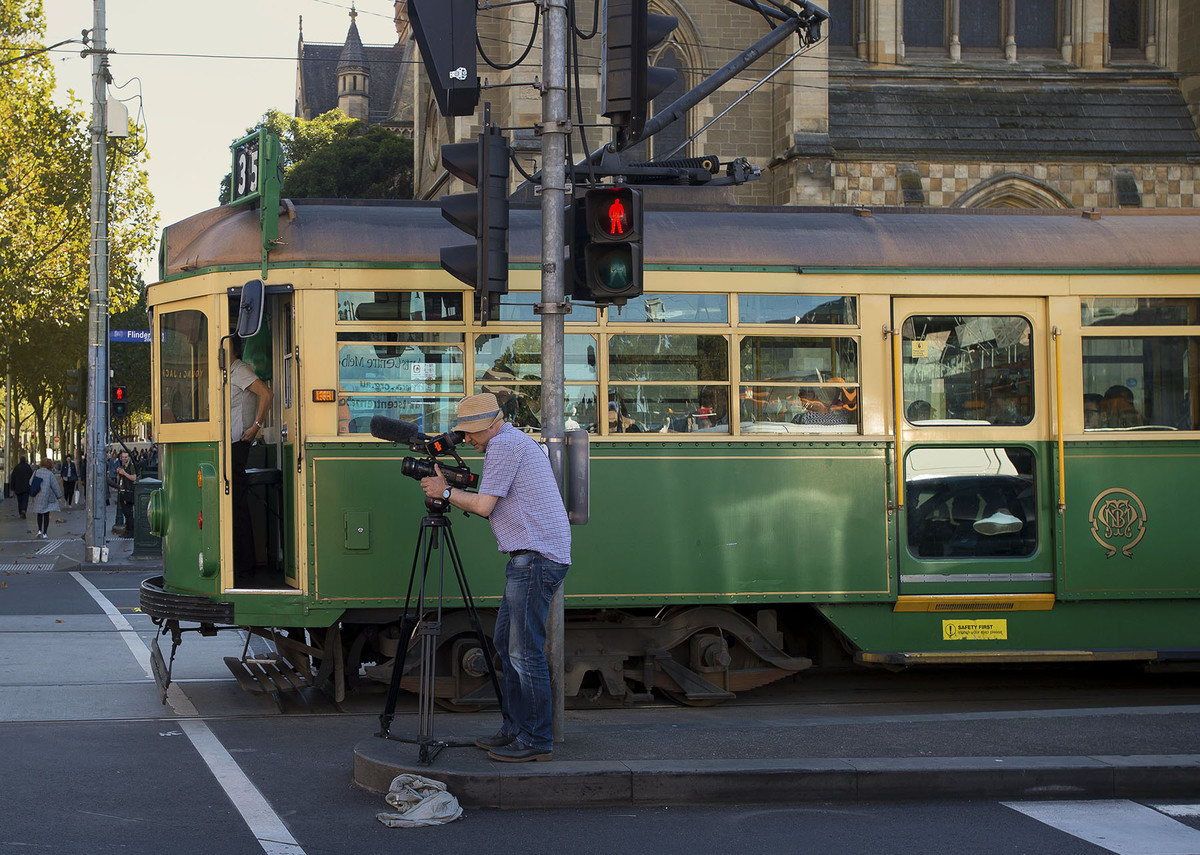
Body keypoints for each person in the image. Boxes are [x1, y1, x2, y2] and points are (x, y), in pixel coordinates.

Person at [420, 393, 571, 763]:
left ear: (490, 425)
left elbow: (485, 506)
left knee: (523, 652)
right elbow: (494, 504)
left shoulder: (504, 445)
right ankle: (515, 729)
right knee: (507, 645)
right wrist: (452, 488)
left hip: (535, 558)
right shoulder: (513, 442)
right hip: (533, 557)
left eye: (470, 433)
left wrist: (445, 491)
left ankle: (536, 739)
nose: (467, 439)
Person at [230, 336, 273, 580]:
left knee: (237, 505)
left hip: (239, 445)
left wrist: (256, 426)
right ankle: (242, 563)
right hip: (234, 444)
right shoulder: (230, 373)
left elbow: (267, 393)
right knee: (235, 505)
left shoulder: (240, 370)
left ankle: (245, 566)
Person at [30, 458, 64, 539]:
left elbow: (30, 482)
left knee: (39, 513)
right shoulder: (50, 474)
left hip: (38, 496)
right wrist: (59, 496)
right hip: (47, 496)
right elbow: (55, 486)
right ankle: (45, 532)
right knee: (46, 514)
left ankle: (39, 530)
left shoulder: (36, 472)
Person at [115, 451, 138, 537]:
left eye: (125, 457)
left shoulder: (131, 466)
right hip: (123, 491)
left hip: (129, 491)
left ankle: (130, 531)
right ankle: (128, 530)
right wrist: (118, 473)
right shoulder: (123, 466)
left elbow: (134, 477)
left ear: (129, 457)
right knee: (126, 512)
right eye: (123, 457)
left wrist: (124, 473)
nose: (124, 458)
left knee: (128, 513)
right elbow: (118, 480)